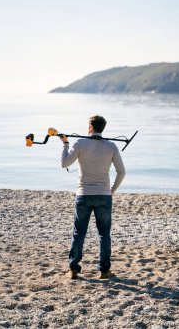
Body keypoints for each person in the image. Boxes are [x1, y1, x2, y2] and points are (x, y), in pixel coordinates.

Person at [60, 115, 126, 280]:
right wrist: (112, 190)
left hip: (83, 195)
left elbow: (65, 163)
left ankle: (73, 269)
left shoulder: (80, 143)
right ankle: (104, 271)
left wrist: (65, 144)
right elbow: (122, 172)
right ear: (102, 128)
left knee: (79, 233)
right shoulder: (111, 146)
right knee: (104, 234)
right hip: (104, 195)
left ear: (90, 127)